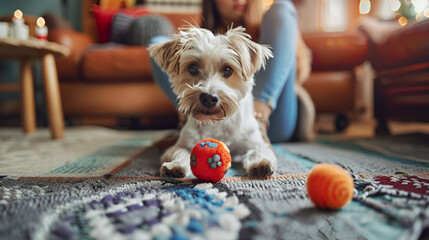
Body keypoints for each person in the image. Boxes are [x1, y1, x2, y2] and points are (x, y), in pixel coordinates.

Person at [150, 0, 312, 143]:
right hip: (214, 123)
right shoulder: (200, 40)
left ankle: (259, 116)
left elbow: (300, 69)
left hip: (274, 121)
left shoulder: (272, 22)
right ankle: (192, 118)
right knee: (156, 43)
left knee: (283, 7)